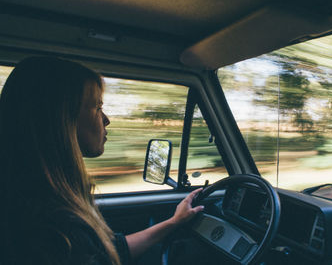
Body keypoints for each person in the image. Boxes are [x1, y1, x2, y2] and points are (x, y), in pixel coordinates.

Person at [0, 56, 204, 265]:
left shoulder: (40, 200)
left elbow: (109, 251)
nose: (107, 119)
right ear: (61, 118)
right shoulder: (52, 226)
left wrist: (174, 222)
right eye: (97, 107)